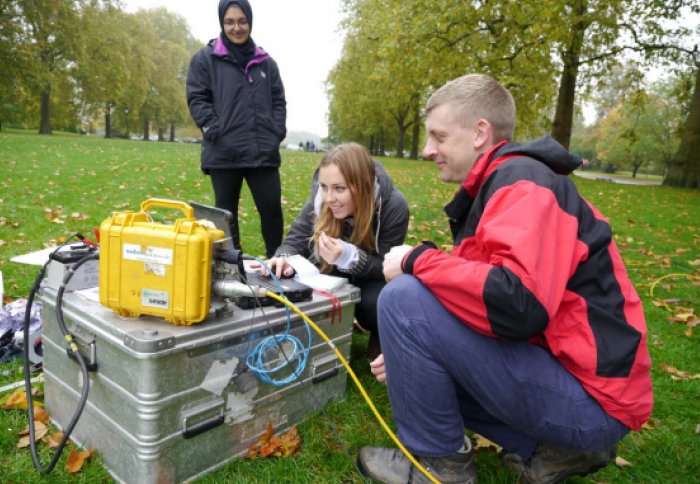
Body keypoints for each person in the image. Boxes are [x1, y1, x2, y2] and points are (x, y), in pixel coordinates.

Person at [358, 74, 653, 483]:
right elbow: (481, 301)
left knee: (403, 297)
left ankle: (439, 467)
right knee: (417, 310)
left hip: (593, 398)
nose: (427, 150)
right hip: (582, 385)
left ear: (480, 133)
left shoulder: (524, 186)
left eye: (439, 137)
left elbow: (519, 305)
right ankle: (558, 451)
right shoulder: (506, 184)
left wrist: (418, 260)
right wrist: (414, 355)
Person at [264, 143, 409, 360]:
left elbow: (387, 267)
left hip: (373, 277)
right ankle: (327, 328)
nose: (329, 197)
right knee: (308, 286)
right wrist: (284, 257)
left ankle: (380, 331)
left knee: (376, 301)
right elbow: (295, 238)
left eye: (339, 189)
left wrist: (350, 257)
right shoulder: (321, 198)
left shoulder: (394, 206)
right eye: (323, 186)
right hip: (331, 269)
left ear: (362, 185)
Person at [186, 0, 286, 258]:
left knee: (271, 208)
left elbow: (278, 100)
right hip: (223, 152)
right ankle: (233, 266)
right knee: (226, 214)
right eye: (230, 22)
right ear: (222, 23)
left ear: (250, 21)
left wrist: (277, 131)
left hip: (262, 151)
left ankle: (278, 261)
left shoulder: (267, 62)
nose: (236, 27)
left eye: (242, 21)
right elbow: (197, 97)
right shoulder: (204, 59)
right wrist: (211, 127)